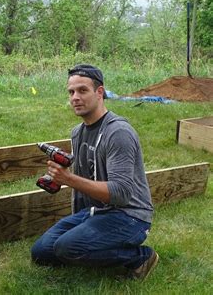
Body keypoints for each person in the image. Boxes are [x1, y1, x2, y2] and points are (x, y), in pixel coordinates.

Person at [31, 64, 158, 280]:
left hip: (129, 215)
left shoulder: (118, 133)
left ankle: (141, 257)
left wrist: (69, 179)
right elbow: (86, 181)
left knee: (67, 248)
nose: (75, 98)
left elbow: (120, 193)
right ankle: (84, 245)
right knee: (41, 252)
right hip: (95, 211)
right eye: (71, 92)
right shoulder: (77, 133)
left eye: (82, 90)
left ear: (100, 93)